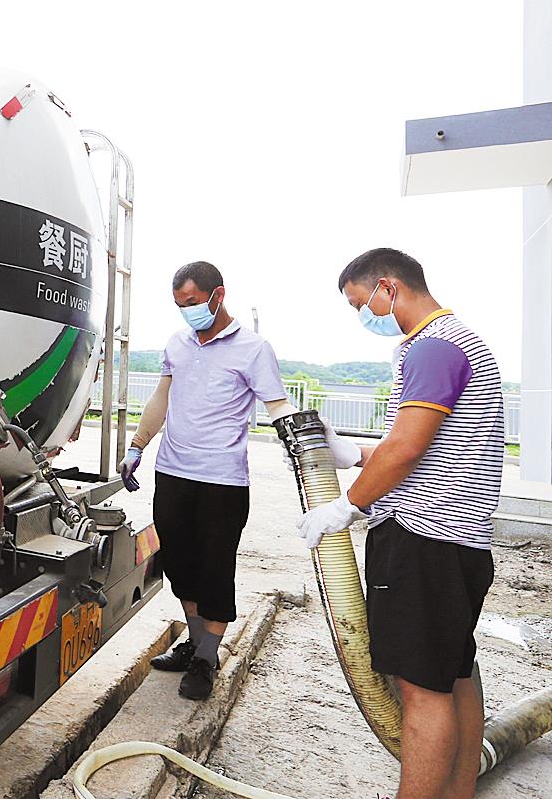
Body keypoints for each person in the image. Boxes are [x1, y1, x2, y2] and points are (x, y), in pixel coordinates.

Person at [297, 248, 501, 799]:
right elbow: (429, 444)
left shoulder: (433, 346)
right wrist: (359, 454)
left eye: (361, 303)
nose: (364, 316)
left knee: (420, 691)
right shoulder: (459, 341)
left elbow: (409, 447)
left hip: (423, 540)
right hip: (460, 540)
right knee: (455, 674)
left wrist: (347, 506)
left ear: (388, 286)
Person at [120, 261, 296, 699]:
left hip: (222, 481)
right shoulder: (177, 344)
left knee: (216, 569)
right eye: (180, 305)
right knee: (180, 564)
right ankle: (197, 643)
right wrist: (138, 444)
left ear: (219, 295)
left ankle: (206, 657)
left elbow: (278, 407)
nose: (187, 312)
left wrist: (303, 454)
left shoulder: (254, 349)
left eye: (193, 303)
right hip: (173, 473)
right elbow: (162, 397)